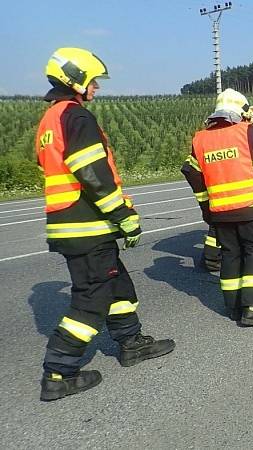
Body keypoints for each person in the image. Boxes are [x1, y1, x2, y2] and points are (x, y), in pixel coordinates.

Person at [35, 48, 175, 401]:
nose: (96, 86)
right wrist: (123, 216)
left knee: (118, 285)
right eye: (92, 80)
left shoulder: (51, 120)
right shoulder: (76, 117)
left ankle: (131, 342)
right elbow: (94, 175)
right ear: (74, 79)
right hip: (86, 225)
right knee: (91, 298)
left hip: (73, 224)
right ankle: (58, 371)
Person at [182, 89, 253, 326]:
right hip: (251, 208)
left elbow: (190, 171)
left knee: (230, 256)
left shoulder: (200, 139)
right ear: (242, 111)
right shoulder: (249, 132)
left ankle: (233, 307)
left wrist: (205, 203)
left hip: (220, 212)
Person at [201, 106, 253, 272]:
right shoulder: (249, 136)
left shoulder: (223, 138)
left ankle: (212, 258)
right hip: (248, 201)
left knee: (224, 238)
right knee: (252, 245)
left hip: (220, 199)